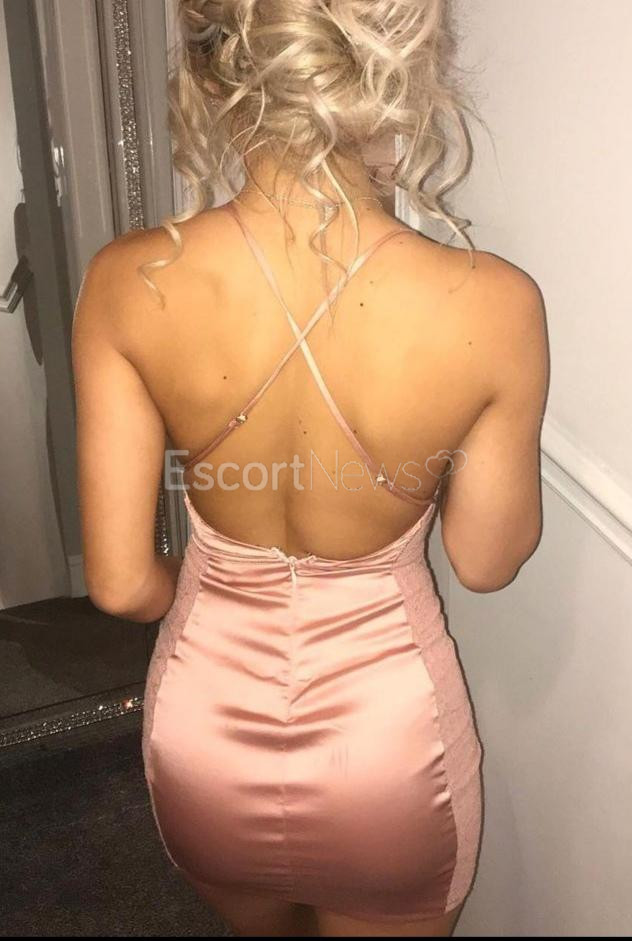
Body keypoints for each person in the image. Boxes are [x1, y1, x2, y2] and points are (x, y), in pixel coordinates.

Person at [72, 1, 549, 936]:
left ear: (210, 75)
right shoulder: (493, 304)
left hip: (204, 733)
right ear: (396, 76)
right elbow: (488, 561)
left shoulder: (128, 280)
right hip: (391, 752)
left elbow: (123, 586)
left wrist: (212, 587)